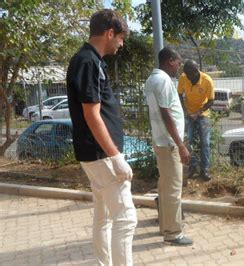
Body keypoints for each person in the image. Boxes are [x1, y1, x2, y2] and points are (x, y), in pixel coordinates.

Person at [66, 9, 136, 265]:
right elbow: (92, 115)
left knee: (104, 216)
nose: (121, 43)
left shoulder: (89, 60)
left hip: (95, 153)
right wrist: (116, 156)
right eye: (120, 38)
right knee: (126, 219)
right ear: (110, 33)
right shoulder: (88, 62)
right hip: (101, 154)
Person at [144, 47, 193, 246]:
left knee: (164, 186)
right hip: (170, 143)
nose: (179, 67)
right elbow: (166, 114)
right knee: (173, 189)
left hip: (161, 141)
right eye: (178, 63)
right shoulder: (163, 80)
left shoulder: (151, 79)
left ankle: (166, 225)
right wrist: (181, 145)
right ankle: (173, 233)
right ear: (170, 60)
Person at [177, 60, 215, 181]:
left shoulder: (207, 80)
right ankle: (192, 167)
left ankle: (205, 170)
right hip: (189, 113)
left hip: (203, 113)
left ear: (195, 72)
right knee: (189, 141)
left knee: (205, 142)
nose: (186, 77)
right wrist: (185, 111)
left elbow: (211, 101)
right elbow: (179, 95)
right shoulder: (184, 77)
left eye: (189, 75)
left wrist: (198, 113)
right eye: (185, 75)